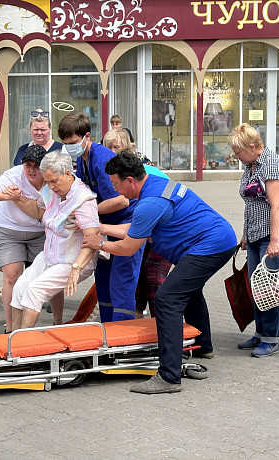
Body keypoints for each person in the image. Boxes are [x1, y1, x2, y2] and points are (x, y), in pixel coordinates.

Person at [82, 153, 237, 394]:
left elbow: (127, 247)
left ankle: (169, 376)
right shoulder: (154, 182)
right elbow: (136, 229)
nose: (115, 190)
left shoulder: (149, 203)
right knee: (188, 291)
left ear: (130, 180)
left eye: (116, 185)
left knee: (167, 299)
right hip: (217, 239)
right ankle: (202, 346)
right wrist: (100, 229)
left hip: (210, 246)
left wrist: (98, 244)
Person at [58, 112, 143, 322]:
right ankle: (107, 330)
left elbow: (121, 200)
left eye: (73, 142)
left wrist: (87, 213)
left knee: (121, 284)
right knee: (104, 283)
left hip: (125, 227)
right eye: (66, 143)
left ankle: (122, 341)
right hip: (107, 228)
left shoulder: (101, 159)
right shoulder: (83, 159)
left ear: (87, 136)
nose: (70, 147)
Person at [0, 144, 65, 332]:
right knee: (12, 275)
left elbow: (44, 212)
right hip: (7, 230)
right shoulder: (14, 175)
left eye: (36, 166)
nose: (31, 170)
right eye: (28, 165)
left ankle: (58, 323)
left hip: (40, 232)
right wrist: (5, 195)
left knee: (52, 274)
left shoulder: (52, 179)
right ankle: (10, 329)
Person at [8, 150, 100, 330]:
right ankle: (12, 337)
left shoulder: (83, 199)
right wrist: (16, 198)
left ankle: (24, 346)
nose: (50, 186)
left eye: (54, 181)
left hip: (73, 259)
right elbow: (40, 211)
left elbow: (93, 237)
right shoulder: (50, 191)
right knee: (20, 288)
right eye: (47, 181)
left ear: (67, 173)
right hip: (52, 254)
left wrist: (76, 268)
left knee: (35, 291)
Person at [228, 123, 279, 358]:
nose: (236, 156)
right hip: (256, 233)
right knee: (256, 287)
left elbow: (277, 205)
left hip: (273, 234)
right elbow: (250, 204)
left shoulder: (273, 164)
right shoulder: (251, 165)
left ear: (254, 146)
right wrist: (246, 235)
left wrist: (275, 241)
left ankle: (271, 338)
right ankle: (260, 333)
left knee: (270, 287)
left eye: (239, 152)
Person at [101, 130, 172, 319]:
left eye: (115, 147)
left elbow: (126, 206)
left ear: (127, 146)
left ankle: (159, 324)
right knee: (138, 277)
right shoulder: (115, 170)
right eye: (107, 147)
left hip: (157, 226)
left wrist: (97, 236)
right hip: (144, 224)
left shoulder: (137, 168)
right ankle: (138, 317)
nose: (111, 151)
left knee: (153, 276)